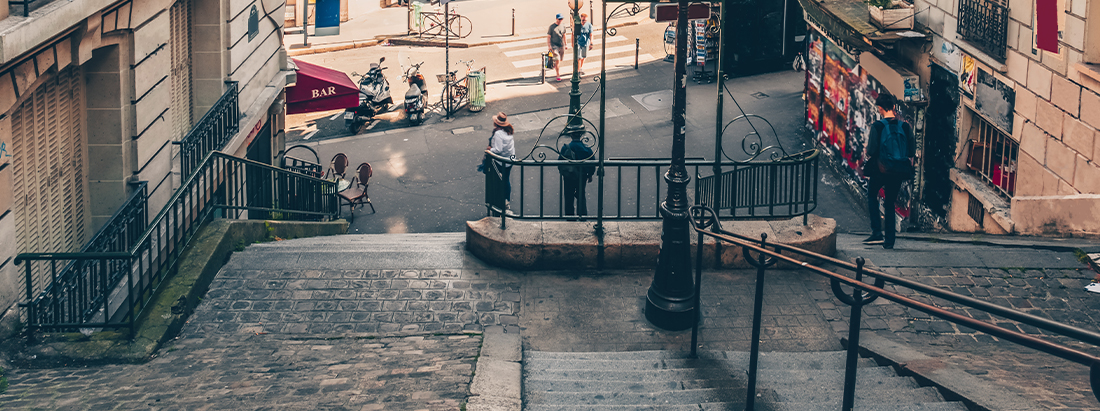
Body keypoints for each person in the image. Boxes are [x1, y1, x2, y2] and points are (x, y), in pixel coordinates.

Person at [863, 93, 915, 250]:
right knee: (890, 202)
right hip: (898, 170)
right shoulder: (905, 127)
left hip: (881, 169)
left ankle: (877, 231)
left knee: (872, 195)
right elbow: (911, 151)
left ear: (880, 108)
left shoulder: (878, 126)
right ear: (893, 107)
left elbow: (871, 150)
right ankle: (889, 240)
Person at [558, 132, 595, 218]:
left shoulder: (566, 147)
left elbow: (560, 162)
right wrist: (590, 174)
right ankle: (582, 216)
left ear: (571, 135)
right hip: (582, 176)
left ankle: (570, 217)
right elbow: (592, 162)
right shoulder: (586, 148)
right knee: (581, 195)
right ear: (581, 135)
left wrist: (563, 173)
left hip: (569, 176)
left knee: (568, 197)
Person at [486, 112, 516, 211]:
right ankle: (506, 200)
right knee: (506, 180)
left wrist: (490, 150)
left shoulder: (498, 134)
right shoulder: (508, 130)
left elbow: (498, 149)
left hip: (501, 161)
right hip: (509, 160)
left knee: (498, 179)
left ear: (496, 123)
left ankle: (498, 200)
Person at [547, 14, 566, 82]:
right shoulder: (552, 27)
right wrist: (549, 46)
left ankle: (555, 64)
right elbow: (549, 37)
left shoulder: (563, 26)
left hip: (561, 45)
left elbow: (564, 35)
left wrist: (566, 44)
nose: (560, 20)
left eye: (561, 19)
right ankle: (558, 74)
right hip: (554, 45)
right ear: (556, 19)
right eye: (559, 19)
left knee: (560, 59)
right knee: (557, 60)